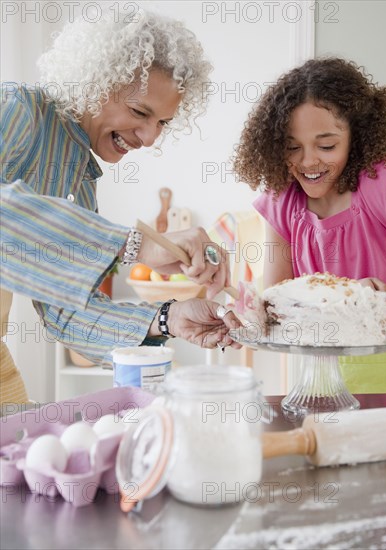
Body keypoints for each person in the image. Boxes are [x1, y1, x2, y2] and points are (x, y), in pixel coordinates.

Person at [0, 10, 241, 405]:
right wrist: (135, 246)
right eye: (140, 112)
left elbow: (68, 313)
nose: (148, 138)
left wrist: (169, 316)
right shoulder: (17, 109)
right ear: (93, 84)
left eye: (162, 122)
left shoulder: (80, 179)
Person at [232, 57, 386, 393]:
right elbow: (276, 306)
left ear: (356, 136)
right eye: (292, 147)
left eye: (327, 145)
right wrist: (245, 309)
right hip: (318, 380)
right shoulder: (282, 200)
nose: (309, 161)